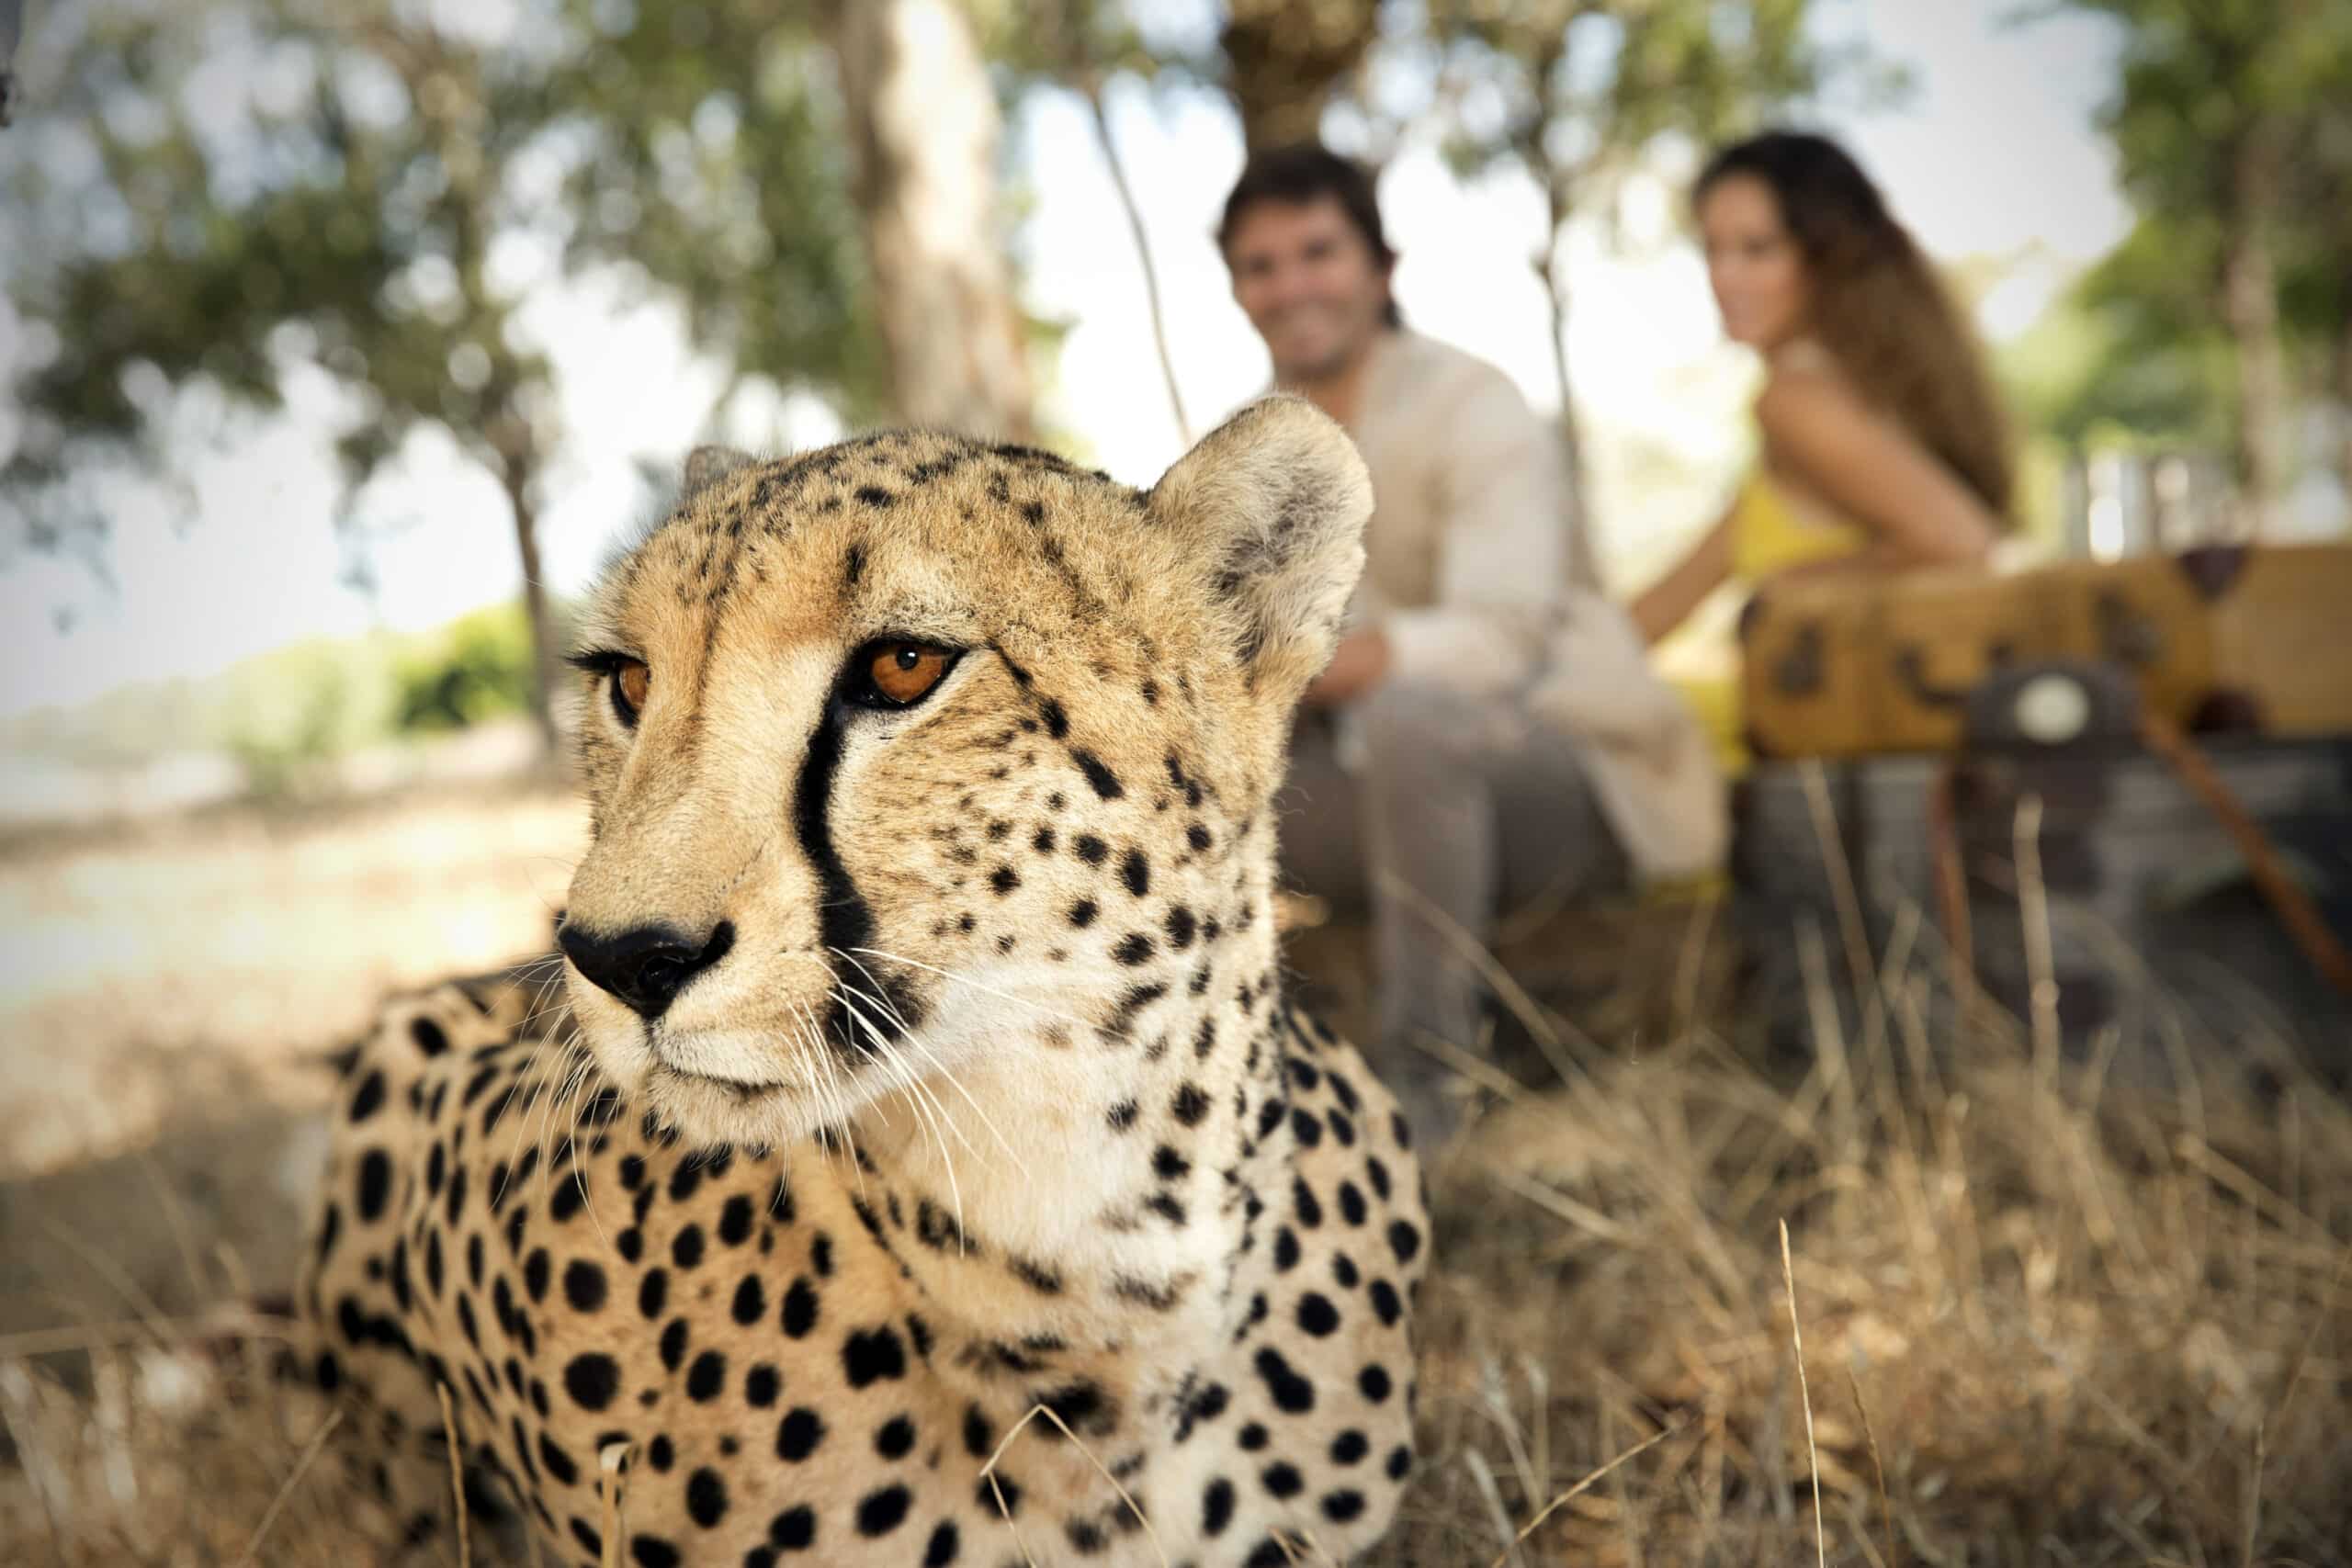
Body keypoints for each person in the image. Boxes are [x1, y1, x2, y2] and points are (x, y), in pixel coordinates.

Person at [1216, 142, 1724, 1149]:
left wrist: (1298, 669)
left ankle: (1426, 1092)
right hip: (1365, 803)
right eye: (1259, 265)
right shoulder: (1246, 446)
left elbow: (1498, 643)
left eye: (1317, 252)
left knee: (1413, 722)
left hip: (1563, 776)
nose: (1290, 286)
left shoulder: (1471, 403)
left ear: (1380, 270)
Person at [1630, 130, 2016, 769]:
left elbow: (1964, 541)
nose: (1725, 277)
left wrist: (1787, 592)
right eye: (1713, 250)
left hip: (1808, 763)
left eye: (1757, 250)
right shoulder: (1848, 391)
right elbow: (1678, 593)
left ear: (1826, 254)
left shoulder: (1796, 399)